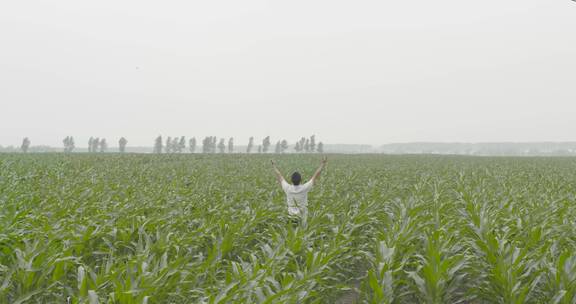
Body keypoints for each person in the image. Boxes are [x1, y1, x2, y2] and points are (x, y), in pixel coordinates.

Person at [271, 156, 327, 225]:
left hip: (291, 216)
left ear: (291, 180)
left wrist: (273, 165)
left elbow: (279, 175)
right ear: (301, 180)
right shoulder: (304, 188)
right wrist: (323, 164)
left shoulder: (287, 188)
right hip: (302, 217)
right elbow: (316, 175)